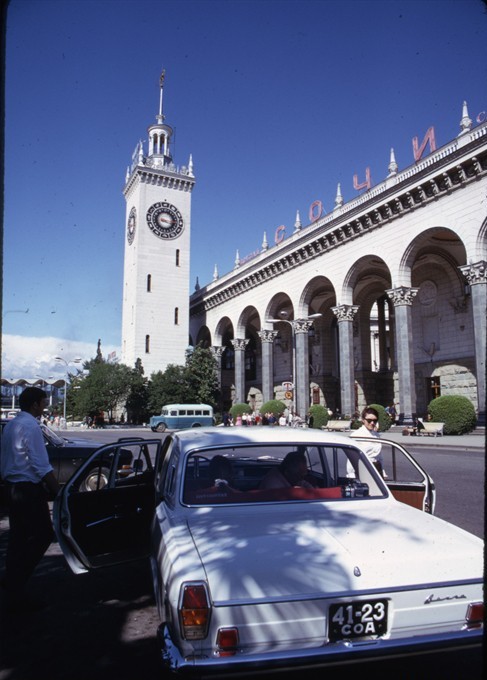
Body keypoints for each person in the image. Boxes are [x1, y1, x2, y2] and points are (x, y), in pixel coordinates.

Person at [0, 387, 60, 614]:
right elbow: (41, 464)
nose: (46, 405)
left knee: (18, 539)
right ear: (35, 404)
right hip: (27, 490)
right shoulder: (31, 426)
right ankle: (15, 583)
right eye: (44, 401)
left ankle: (13, 586)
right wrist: (58, 491)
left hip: (12, 489)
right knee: (43, 535)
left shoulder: (13, 425)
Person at [349, 406, 385, 477]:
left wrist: (383, 471)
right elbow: (351, 458)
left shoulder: (376, 435)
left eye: (375, 420)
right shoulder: (356, 435)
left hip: (377, 469)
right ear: (363, 420)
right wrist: (351, 475)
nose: (372, 423)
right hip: (364, 468)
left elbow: (380, 456)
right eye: (369, 420)